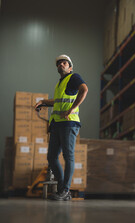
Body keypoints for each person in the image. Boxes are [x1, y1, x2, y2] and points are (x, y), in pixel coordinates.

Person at [34, 54, 88, 201]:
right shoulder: (59, 84)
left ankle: (65, 190)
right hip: (57, 124)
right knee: (51, 157)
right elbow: (58, 102)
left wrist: (72, 108)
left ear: (70, 67)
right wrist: (44, 101)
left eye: (64, 63)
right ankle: (63, 189)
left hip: (69, 123)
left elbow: (84, 90)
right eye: (59, 63)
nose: (61, 65)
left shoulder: (74, 77)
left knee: (68, 155)